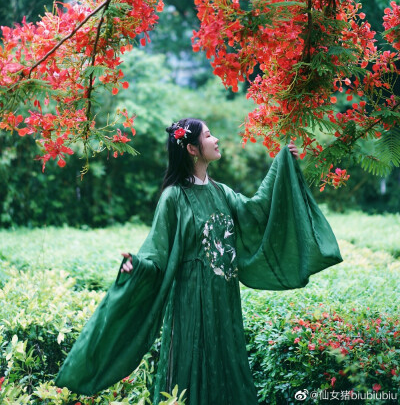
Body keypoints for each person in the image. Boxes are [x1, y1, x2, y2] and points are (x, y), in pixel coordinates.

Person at [55, 118, 342, 404]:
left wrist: (283, 165)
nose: (215, 139)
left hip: (225, 302)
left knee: (226, 366)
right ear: (192, 149)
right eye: (208, 135)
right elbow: (157, 254)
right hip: (189, 304)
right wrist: (136, 266)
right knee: (188, 371)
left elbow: (257, 211)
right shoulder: (173, 198)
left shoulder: (222, 192)